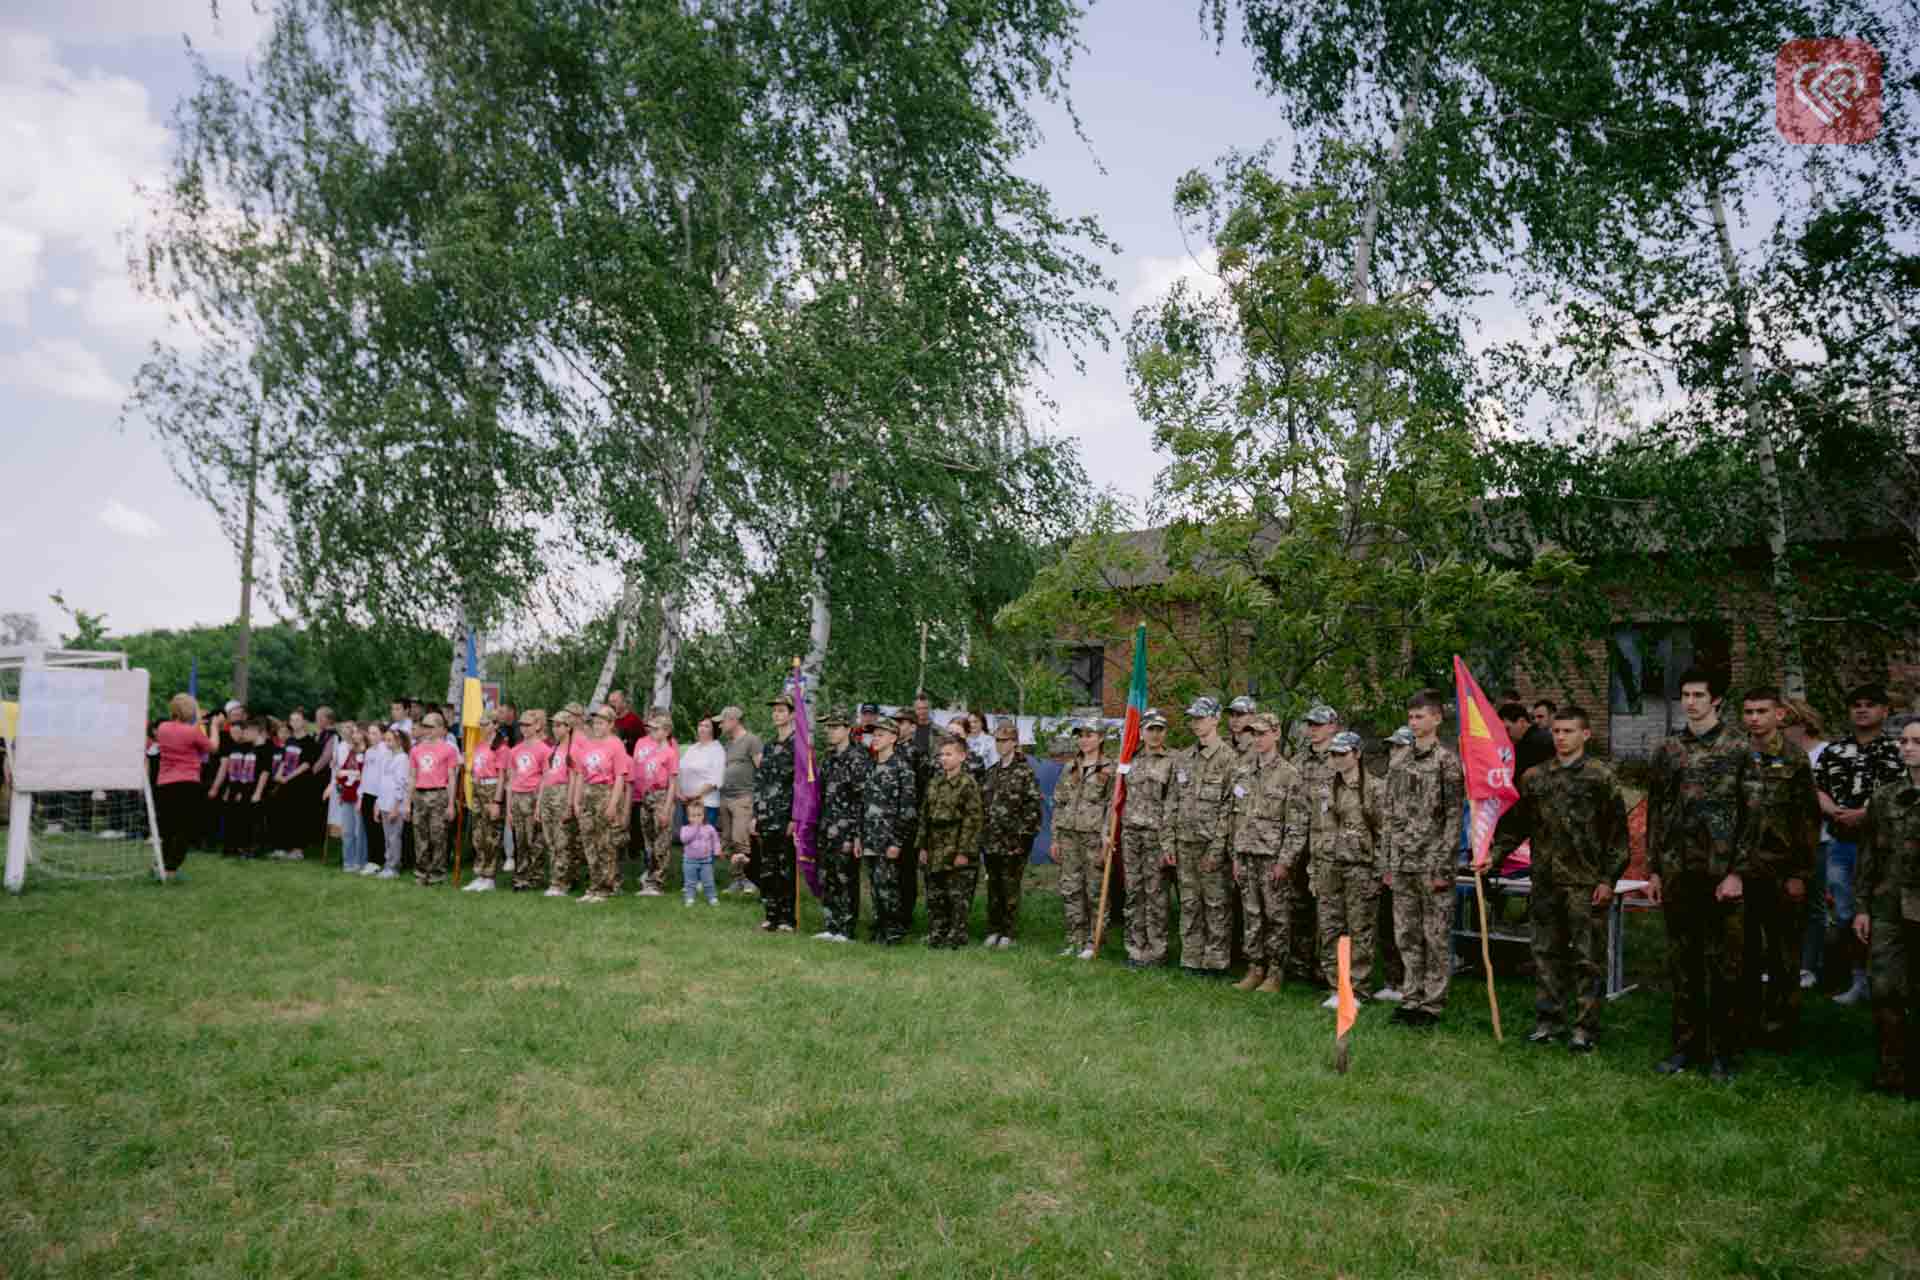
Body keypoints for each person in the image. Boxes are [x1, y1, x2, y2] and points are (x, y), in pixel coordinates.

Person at [1484, 706, 1628, 1051]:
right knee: (1545, 954)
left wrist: (1608, 879)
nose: (1561, 737)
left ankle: (1585, 1028)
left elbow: (1617, 835)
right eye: (1557, 731)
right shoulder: (1535, 778)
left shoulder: (1600, 777)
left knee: (1587, 958)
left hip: (1584, 883)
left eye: (1568, 731)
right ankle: (1548, 1022)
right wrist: (1494, 855)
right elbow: (1516, 825)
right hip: (1546, 882)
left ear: (1585, 734)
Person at [1646, 668, 1747, 1080]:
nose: (1690, 702)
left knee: (1724, 966)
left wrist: (1737, 872)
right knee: (1683, 964)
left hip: (1720, 873)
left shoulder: (1738, 748)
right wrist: (1654, 869)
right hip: (1677, 871)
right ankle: (1685, 1047)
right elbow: (1656, 810)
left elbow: (1753, 816)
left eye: (1699, 695)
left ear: (1716, 699)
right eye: (1685, 695)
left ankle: (1724, 1052)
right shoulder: (1668, 749)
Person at [1730, 687, 1822, 1051]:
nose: (1754, 718)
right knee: (1744, 950)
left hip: (1782, 870)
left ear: (1779, 715)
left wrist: (1800, 873)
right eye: (1748, 711)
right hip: (1742, 869)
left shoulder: (1794, 758)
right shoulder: (1734, 754)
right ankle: (1747, 1022)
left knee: (1784, 952)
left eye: (1761, 711)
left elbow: (1807, 819)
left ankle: (1782, 1026)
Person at [1816, 683, 1905, 1007]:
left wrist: (1865, 814)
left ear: (1884, 711)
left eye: (1870, 704)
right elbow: (1816, 788)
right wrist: (1834, 811)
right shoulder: (1834, 750)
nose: (1862, 710)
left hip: (1884, 848)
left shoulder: (1898, 750)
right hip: (1841, 844)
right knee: (1845, 914)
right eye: (1856, 705)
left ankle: (1886, 980)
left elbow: (1904, 792)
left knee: (1882, 914)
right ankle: (1857, 981)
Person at [1383, 689, 1466, 1028]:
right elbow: (1389, 814)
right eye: (1411, 717)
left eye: (1420, 716)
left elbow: (1454, 817)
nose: (1414, 722)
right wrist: (1388, 862)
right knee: (1407, 934)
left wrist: (1444, 866)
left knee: (1435, 936)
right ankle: (1411, 996)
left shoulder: (1447, 762)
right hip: (1403, 863)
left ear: (1437, 718)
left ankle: (1432, 1004)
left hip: (1432, 864)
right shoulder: (1399, 761)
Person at [1851, 719, 1920, 1096]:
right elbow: (1868, 856)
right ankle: (1891, 1070)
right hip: (1888, 907)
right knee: (1885, 989)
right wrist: (1861, 906)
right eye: (1903, 741)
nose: (1907, 748)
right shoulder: (1885, 797)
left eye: (1916, 742)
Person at [1226, 712, 1308, 993]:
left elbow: (1297, 824)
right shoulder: (1243, 771)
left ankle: (1275, 971)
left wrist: (1285, 861)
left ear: (1276, 734)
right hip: (1246, 854)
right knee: (1251, 915)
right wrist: (1235, 857)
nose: (1257, 739)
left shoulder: (1289, 775)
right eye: (1254, 734)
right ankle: (1255, 967)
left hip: (1272, 858)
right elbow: (1235, 818)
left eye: (1262, 733)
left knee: (1276, 917)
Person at [1166, 698, 1237, 977]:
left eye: (1201, 718)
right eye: (1193, 718)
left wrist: (1217, 850)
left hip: (1211, 845)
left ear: (1216, 719)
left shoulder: (1229, 759)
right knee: (1189, 903)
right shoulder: (1183, 758)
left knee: (1216, 904)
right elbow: (1172, 801)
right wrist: (1167, 841)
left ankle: (1215, 962)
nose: (1196, 723)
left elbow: (1229, 809)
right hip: (1185, 842)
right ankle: (1191, 958)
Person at [1313, 731, 1385, 1005]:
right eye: (1333, 754)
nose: (1337, 759)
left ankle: (1357, 989)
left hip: (1360, 869)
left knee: (1360, 931)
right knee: (1330, 928)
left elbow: (1384, 833)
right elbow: (1316, 829)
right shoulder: (1325, 788)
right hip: (1328, 867)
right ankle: (1336, 987)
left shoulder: (1373, 789)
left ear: (1357, 754)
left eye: (1342, 754)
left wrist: (1378, 873)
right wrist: (1314, 868)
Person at [1780, 698, 1833, 989]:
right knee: (1784, 904)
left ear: (1803, 723)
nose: (1782, 731)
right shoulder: (1780, 754)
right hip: (1784, 843)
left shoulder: (1825, 752)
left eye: (1787, 724)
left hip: (1819, 841)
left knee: (1814, 904)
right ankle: (1784, 962)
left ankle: (1810, 966)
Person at [1289, 704, 1344, 987]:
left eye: (1319, 725)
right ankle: (1300, 964)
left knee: (1329, 911)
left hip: (1328, 845)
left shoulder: (1341, 759)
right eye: (1310, 724)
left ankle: (1327, 970)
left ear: (1333, 726)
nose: (1313, 730)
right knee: (1299, 906)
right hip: (1300, 842)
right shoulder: (1298, 761)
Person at [1050, 718, 1113, 960]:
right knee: (1071, 888)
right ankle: (1074, 938)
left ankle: (1093, 941)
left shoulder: (1109, 768)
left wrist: (1106, 837)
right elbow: (1058, 802)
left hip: (1093, 837)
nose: (1084, 740)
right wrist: (1055, 838)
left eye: (1089, 735)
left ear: (1101, 737)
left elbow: (1112, 807)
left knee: (1094, 890)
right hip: (1068, 835)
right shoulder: (1070, 767)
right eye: (1080, 735)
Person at [1117, 710, 1175, 967]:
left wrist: (1168, 841)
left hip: (1156, 836)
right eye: (1150, 729)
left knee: (1156, 895)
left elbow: (1173, 803)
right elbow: (1118, 797)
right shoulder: (1129, 759)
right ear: (1141, 732)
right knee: (1134, 892)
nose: (1155, 734)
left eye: (1160, 729)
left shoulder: (1172, 761)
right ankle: (1135, 949)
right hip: (1131, 835)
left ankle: (1156, 950)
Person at [980, 718, 1043, 950]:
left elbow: (1033, 808)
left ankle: (1008, 932)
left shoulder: (1024, 772)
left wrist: (1024, 839)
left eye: (1005, 740)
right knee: (993, 886)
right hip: (991, 840)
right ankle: (993, 929)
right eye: (997, 740)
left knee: (1010, 887)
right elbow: (984, 807)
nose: (1000, 744)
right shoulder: (991, 772)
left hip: (1014, 842)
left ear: (1015, 742)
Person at [921, 734, 985, 949]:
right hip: (935, 848)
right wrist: (922, 846)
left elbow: (973, 820)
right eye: (941, 755)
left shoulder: (968, 784)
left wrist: (964, 852)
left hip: (957, 847)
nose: (944, 758)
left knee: (957, 895)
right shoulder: (935, 782)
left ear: (962, 756)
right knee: (936, 894)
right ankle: (937, 933)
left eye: (949, 754)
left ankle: (957, 935)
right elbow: (925, 816)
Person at [861, 717, 918, 945]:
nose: (875, 739)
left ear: (893, 738)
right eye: (874, 735)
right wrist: (860, 837)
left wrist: (897, 841)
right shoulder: (871, 767)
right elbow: (863, 806)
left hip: (889, 840)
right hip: (870, 838)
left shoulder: (903, 769)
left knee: (890, 887)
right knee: (875, 887)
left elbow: (908, 811)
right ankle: (879, 929)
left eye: (880, 735)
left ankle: (893, 931)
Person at [816, 707, 871, 942]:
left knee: (845, 878)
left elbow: (862, 799)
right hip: (826, 827)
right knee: (828, 877)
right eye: (828, 727)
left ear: (848, 729)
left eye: (835, 726)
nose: (830, 731)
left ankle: (846, 929)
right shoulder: (829, 757)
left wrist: (857, 835)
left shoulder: (858, 757)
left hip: (846, 830)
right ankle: (831, 925)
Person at [570, 704, 631, 903]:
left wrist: (613, 804)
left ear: (611, 724)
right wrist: (576, 800)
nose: (597, 726)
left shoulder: (616, 744)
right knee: (589, 842)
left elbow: (620, 776)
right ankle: (594, 886)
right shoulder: (587, 744)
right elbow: (580, 774)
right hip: (588, 794)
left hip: (606, 793)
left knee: (605, 843)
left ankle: (606, 887)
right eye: (595, 722)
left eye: (601, 722)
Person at [751, 691, 800, 932]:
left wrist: (795, 817)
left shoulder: (799, 746)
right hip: (766, 816)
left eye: (781, 710)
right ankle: (771, 915)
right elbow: (760, 782)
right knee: (768, 869)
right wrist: (755, 815)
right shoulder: (769, 746)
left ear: (792, 715)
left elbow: (801, 787)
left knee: (785, 868)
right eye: (774, 710)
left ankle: (787, 918)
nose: (776, 714)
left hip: (785, 817)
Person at [154, 693, 212, 882]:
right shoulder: (192, 732)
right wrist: (215, 728)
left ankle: (160, 865)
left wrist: (198, 724)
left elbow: (183, 735)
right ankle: (171, 869)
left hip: (164, 783)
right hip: (187, 783)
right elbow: (212, 747)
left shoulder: (162, 727)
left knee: (167, 828)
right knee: (184, 829)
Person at [408, 713, 464, 887]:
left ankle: (437, 874)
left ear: (440, 728)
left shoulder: (448, 749)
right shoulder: (416, 749)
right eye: (424, 726)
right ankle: (421, 873)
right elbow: (412, 777)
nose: (427, 730)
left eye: (430, 726)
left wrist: (451, 804)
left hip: (439, 794)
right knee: (420, 836)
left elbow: (452, 777)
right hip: (419, 794)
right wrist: (407, 802)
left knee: (438, 836)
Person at [631, 711, 679, 896]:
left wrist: (666, 808)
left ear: (666, 731)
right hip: (647, 797)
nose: (651, 732)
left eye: (656, 729)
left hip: (662, 796)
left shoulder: (670, 753)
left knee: (662, 841)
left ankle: (658, 881)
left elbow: (672, 783)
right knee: (649, 840)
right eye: (651, 729)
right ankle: (649, 877)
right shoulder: (651, 750)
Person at [505, 710, 553, 892]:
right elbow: (511, 779)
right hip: (517, 796)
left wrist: (539, 805)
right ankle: (520, 877)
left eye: (528, 724)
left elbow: (546, 778)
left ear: (537, 726)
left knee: (535, 840)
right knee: (520, 839)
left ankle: (535, 877)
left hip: (533, 796)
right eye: (521, 725)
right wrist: (508, 809)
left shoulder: (544, 750)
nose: (524, 728)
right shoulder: (515, 750)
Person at [211, 718, 271, 859]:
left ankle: (253, 849)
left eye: (247, 731)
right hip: (240, 788)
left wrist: (258, 792)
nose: (244, 734)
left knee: (253, 820)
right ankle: (234, 847)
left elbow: (265, 772)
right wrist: (233, 790)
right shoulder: (246, 747)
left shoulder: (265, 748)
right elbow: (238, 771)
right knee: (238, 819)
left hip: (254, 789)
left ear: (256, 732)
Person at [718, 706, 761, 895]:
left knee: (741, 839)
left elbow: (762, 769)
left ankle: (751, 880)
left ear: (734, 720)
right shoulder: (728, 744)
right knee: (729, 841)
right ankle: (738, 879)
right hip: (725, 797)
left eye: (723, 721)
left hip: (743, 797)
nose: (721, 725)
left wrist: (759, 800)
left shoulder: (751, 740)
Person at [542, 709, 585, 897]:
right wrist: (541, 802)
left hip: (563, 792)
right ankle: (556, 878)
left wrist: (570, 803)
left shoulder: (573, 749)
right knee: (551, 839)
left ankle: (561, 882)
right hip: (549, 794)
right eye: (553, 725)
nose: (555, 729)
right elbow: (546, 776)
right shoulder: (553, 748)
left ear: (568, 727)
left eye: (559, 725)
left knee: (562, 840)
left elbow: (575, 777)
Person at [463, 722, 507, 892]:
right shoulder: (480, 745)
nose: (481, 727)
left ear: (495, 725)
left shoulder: (501, 748)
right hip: (478, 789)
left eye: (485, 724)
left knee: (491, 835)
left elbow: (502, 776)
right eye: (480, 724)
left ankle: (489, 876)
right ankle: (480, 874)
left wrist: (497, 801)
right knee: (478, 834)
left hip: (491, 789)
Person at [328, 723, 368, 874]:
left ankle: (360, 862)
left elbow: (364, 774)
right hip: (347, 795)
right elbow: (341, 772)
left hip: (359, 796)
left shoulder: (368, 753)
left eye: (357, 732)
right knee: (347, 831)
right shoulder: (352, 751)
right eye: (354, 732)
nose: (354, 734)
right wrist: (341, 783)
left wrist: (347, 773)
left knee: (359, 831)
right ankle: (348, 862)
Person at [374, 726, 412, 880]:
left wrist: (396, 807)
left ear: (399, 741)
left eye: (390, 740)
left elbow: (401, 784)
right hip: (384, 803)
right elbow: (382, 782)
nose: (387, 743)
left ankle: (394, 867)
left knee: (394, 837)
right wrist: (378, 803)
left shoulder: (402, 758)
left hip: (395, 805)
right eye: (386, 740)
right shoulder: (387, 757)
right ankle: (387, 864)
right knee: (387, 837)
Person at [677, 715, 725, 829]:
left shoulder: (717, 750)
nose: (702, 728)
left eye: (706, 726)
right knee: (688, 838)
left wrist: (696, 795)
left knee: (703, 838)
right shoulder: (692, 748)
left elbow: (717, 779)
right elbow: (680, 771)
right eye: (700, 725)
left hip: (705, 804)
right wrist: (679, 793)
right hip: (687, 803)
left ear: (714, 730)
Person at [679, 804, 722, 906]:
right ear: (688, 817)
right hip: (689, 861)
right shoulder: (685, 828)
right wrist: (695, 828)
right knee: (690, 882)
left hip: (706, 861)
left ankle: (712, 897)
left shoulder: (709, 828)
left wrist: (717, 850)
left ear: (703, 816)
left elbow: (715, 840)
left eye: (699, 815)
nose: (696, 818)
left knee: (708, 881)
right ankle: (689, 898)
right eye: (693, 816)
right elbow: (684, 839)